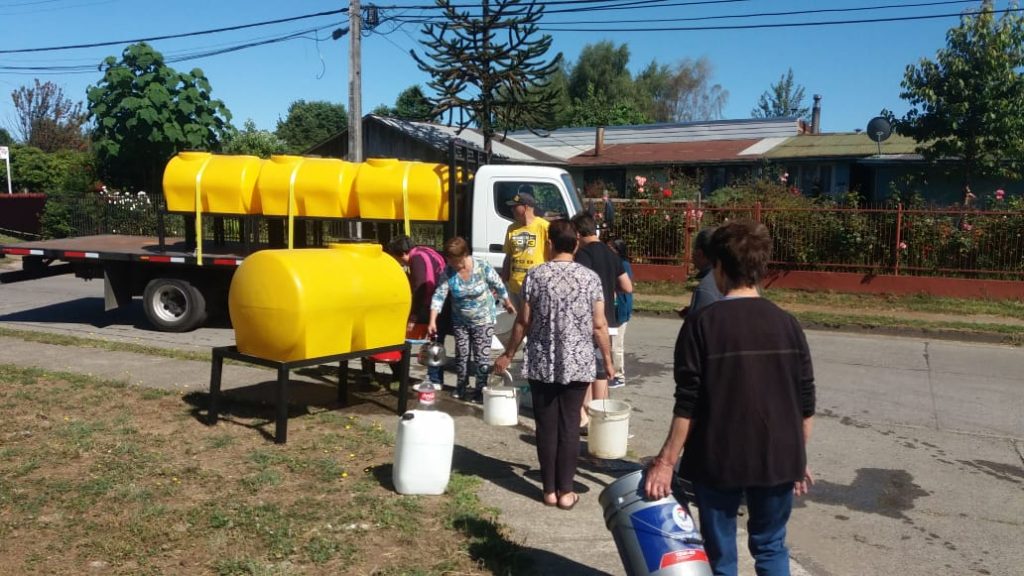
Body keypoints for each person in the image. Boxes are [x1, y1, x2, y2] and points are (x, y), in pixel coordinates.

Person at [644, 220, 816, 576]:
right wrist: (797, 456)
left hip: (718, 459)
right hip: (778, 456)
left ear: (720, 267)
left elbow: (687, 402)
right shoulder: (788, 323)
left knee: (720, 556)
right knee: (771, 547)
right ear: (760, 268)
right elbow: (805, 401)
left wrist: (665, 461)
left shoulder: (702, 324)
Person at [495, 219, 614, 511]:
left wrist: (508, 353)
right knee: (570, 425)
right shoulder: (590, 279)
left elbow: (523, 321)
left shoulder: (535, 276)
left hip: (542, 362)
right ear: (575, 245)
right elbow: (599, 326)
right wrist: (608, 362)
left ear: (549, 244)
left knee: (546, 426)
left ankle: (548, 490)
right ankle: (566, 491)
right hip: (578, 363)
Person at [428, 236, 515, 402]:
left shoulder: (481, 266)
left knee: (481, 356)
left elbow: (498, 285)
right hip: (460, 320)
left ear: (465, 255)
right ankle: (461, 386)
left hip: (483, 318)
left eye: (456, 261)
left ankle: (480, 390)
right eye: (450, 261)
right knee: (462, 354)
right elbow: (439, 296)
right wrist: (433, 320)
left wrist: (508, 303)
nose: (453, 265)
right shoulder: (448, 272)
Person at [572, 212, 632, 426]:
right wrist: (609, 287)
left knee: (589, 370)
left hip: (590, 321)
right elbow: (627, 287)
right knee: (599, 369)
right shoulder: (612, 254)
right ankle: (599, 416)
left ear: (578, 233)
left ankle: (588, 416)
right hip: (610, 321)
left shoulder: (583, 255)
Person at [386, 234, 450, 385]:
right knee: (437, 343)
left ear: (402, 254)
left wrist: (414, 315)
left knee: (426, 341)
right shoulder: (426, 251)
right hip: (443, 302)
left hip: (432, 305)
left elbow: (422, 287)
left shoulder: (417, 260)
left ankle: (426, 379)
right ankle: (435, 379)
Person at [501, 186, 550, 311]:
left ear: (526, 207)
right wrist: (503, 281)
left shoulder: (544, 226)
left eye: (515, 206)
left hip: (536, 286)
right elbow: (509, 255)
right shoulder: (512, 228)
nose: (512, 209)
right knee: (518, 322)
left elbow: (552, 255)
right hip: (515, 287)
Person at [676, 226, 723, 320]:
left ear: (699, 253)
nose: (692, 255)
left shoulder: (705, 289)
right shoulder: (733, 278)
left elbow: (698, 330)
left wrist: (691, 318)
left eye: (693, 250)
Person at [606, 237, 633, 388]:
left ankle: (619, 376)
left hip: (620, 309)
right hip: (612, 310)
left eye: (610, 248)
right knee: (609, 343)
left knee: (616, 345)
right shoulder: (612, 264)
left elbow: (625, 287)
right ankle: (612, 372)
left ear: (618, 250)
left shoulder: (623, 265)